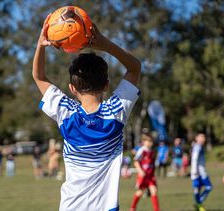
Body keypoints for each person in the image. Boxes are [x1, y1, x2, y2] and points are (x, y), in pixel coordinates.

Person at [33, 14, 141, 211]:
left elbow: (39, 77)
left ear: (72, 89)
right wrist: (104, 44)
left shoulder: (66, 113)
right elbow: (135, 68)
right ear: (106, 85)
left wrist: (41, 44)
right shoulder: (115, 112)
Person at [130, 132, 159, 211]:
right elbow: (136, 162)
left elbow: (152, 163)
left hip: (150, 176)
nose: (150, 143)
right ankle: (132, 208)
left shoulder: (152, 151)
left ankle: (157, 209)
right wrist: (141, 171)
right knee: (140, 192)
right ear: (144, 141)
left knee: (154, 191)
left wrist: (153, 173)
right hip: (143, 176)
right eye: (148, 141)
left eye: (151, 141)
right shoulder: (142, 150)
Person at [190, 133, 212, 211]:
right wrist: (194, 171)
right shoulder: (197, 147)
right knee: (204, 188)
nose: (203, 139)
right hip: (198, 173)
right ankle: (199, 205)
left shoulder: (199, 146)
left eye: (204, 137)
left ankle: (198, 204)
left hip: (201, 172)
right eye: (201, 137)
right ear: (196, 138)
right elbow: (194, 159)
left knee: (200, 189)